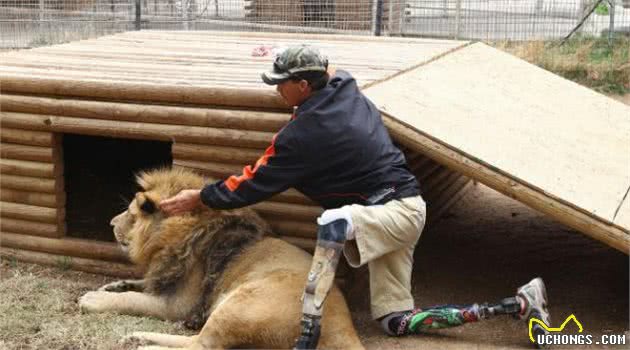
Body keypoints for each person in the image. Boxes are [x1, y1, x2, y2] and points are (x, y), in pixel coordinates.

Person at [159, 45, 550, 349]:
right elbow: (329, 68)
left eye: (281, 81)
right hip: (406, 208)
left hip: (391, 213)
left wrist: (200, 197)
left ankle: (307, 337)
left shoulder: (303, 136)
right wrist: (285, 52)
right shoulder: (344, 85)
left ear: (303, 86)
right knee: (394, 321)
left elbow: (252, 183)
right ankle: (516, 304)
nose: (275, 88)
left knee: (333, 223)